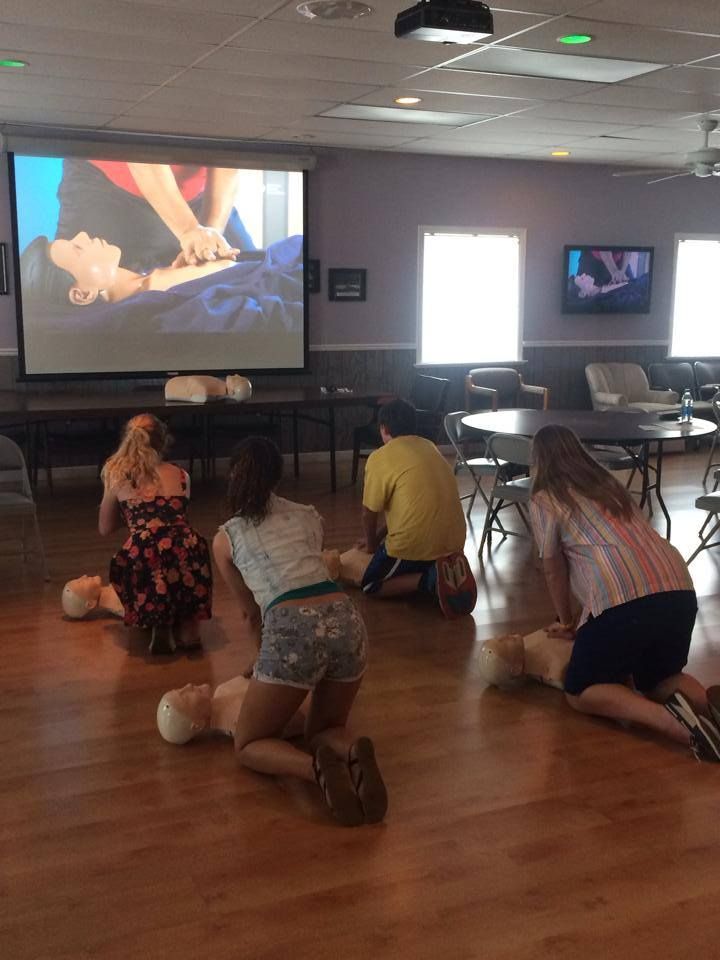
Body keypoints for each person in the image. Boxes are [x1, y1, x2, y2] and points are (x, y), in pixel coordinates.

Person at [212, 436, 387, 827]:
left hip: (292, 630)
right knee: (326, 728)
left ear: (233, 477)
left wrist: (261, 663)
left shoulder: (227, 538)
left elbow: (254, 615)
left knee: (250, 743)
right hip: (347, 620)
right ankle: (351, 751)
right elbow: (309, 571)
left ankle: (317, 772)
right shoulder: (309, 515)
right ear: (277, 475)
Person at [529, 423, 720, 761]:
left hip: (623, 601)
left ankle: (675, 724)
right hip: (679, 589)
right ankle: (707, 705)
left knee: (579, 689)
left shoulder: (546, 499)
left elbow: (553, 567)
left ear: (539, 462)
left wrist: (567, 619)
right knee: (659, 677)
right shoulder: (609, 487)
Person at [99, 413, 212, 651]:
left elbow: (105, 527)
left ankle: (155, 618)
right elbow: (178, 518)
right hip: (186, 550)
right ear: (163, 441)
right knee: (177, 556)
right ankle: (188, 627)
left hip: (145, 552)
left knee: (141, 560)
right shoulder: (182, 475)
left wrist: (133, 518)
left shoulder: (117, 475)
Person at [358, 398, 477, 618]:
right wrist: (379, 535)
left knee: (370, 585)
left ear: (383, 429)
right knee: (416, 550)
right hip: (455, 541)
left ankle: (430, 580)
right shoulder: (429, 446)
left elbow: (368, 513)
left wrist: (372, 546)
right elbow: (411, 507)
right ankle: (445, 570)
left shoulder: (379, 457)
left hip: (415, 543)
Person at [55, 159, 254, 273]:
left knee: (251, 275)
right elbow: (141, 152)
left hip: (195, 196)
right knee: (82, 288)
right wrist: (188, 230)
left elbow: (228, 163)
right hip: (106, 185)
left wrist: (209, 238)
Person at [20, 231, 249, 308]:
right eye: (78, 249)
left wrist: (180, 268)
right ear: (82, 294)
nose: (83, 235)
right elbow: (231, 268)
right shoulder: (154, 288)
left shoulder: (152, 275)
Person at [156, 677, 305, 745]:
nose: (187, 685)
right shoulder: (237, 723)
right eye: (186, 698)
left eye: (179, 689)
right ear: (197, 724)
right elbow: (296, 719)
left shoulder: (223, 689)